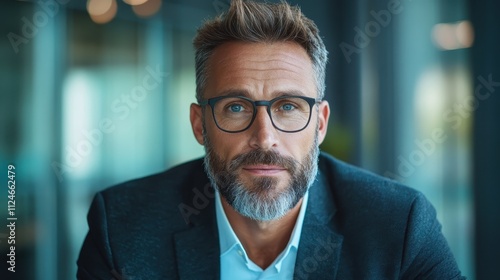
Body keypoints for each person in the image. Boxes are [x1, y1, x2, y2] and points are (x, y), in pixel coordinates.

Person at [77, 0, 464, 279]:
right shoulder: (124, 228)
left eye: (289, 107)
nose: (264, 137)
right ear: (199, 124)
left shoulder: (398, 225)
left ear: (321, 123)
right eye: (235, 107)